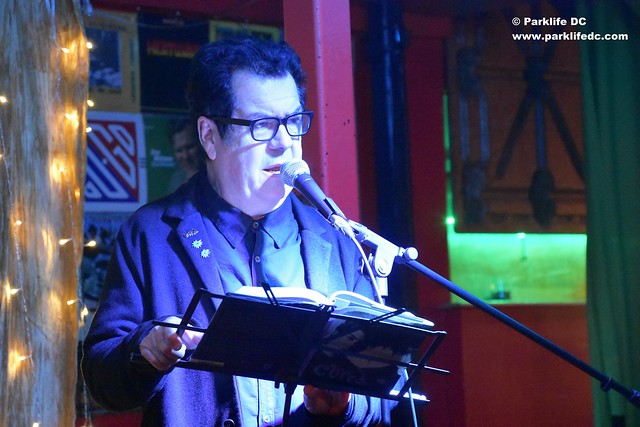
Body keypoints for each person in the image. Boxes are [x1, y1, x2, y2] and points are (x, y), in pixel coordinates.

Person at [82, 36, 391, 426]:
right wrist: (143, 349)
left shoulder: (338, 238)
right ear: (209, 136)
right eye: (262, 125)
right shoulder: (152, 233)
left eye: (294, 122)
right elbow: (101, 380)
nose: (285, 144)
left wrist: (344, 406)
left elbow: (380, 390)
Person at [166, 117, 206, 194]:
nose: (185, 156)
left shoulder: (217, 176)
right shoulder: (176, 180)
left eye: (190, 147)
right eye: (179, 150)